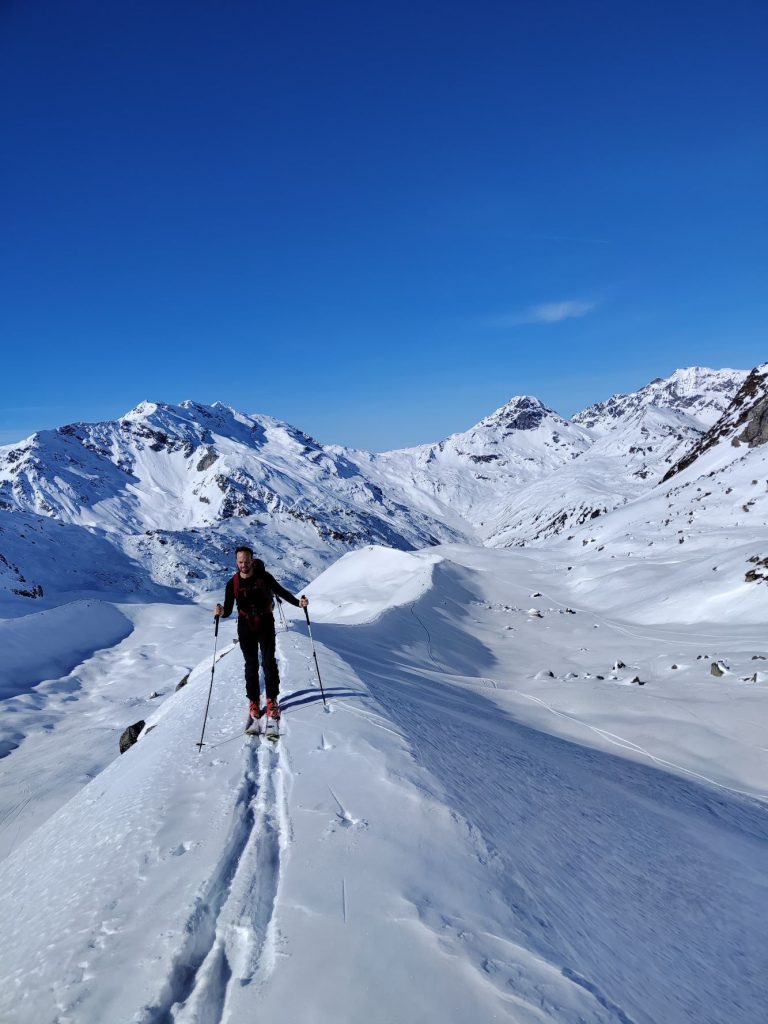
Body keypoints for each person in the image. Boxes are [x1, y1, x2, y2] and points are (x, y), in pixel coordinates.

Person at [214, 546, 308, 721]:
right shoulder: (232, 583)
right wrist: (220, 611)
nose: (244, 565)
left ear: (252, 560)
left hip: (265, 623)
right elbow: (227, 610)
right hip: (245, 625)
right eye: (240, 562)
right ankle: (254, 700)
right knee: (251, 664)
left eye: (247, 561)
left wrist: (298, 603)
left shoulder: (264, 577)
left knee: (268, 662)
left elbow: (282, 592)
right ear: (236, 562)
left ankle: (272, 699)